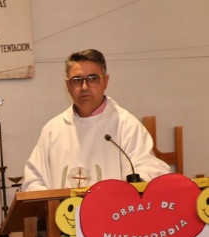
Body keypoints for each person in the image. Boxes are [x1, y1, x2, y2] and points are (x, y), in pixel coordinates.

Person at [22, 49, 170, 191]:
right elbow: (33, 180)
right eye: (77, 80)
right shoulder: (53, 130)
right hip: (63, 215)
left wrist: (134, 183)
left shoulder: (126, 125)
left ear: (105, 81)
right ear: (68, 85)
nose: (84, 86)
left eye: (92, 79)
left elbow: (149, 168)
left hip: (112, 214)